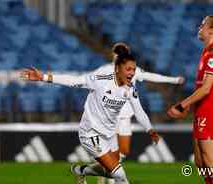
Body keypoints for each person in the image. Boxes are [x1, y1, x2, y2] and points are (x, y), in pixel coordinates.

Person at [20, 43, 161, 184]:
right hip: (90, 132)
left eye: (134, 69)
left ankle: (80, 170)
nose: (132, 73)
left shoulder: (130, 90)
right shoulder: (100, 81)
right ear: (118, 69)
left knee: (111, 173)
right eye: (128, 69)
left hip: (110, 134)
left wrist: (150, 130)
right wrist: (43, 77)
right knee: (120, 175)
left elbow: (139, 111)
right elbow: (73, 81)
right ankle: (85, 171)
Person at [90, 43, 184, 184]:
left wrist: (173, 80)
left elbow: (151, 76)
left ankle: (91, 170)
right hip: (107, 115)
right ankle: (107, 179)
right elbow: (87, 80)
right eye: (118, 54)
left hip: (125, 116)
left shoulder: (133, 69)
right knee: (108, 151)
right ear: (114, 55)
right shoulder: (104, 70)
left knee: (124, 151)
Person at [167, 15, 213, 184]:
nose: (199, 27)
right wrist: (192, 105)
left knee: (210, 160)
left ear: (212, 31)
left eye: (203, 25)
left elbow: (206, 88)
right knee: (200, 162)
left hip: (211, 109)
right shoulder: (207, 52)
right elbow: (202, 87)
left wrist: (182, 105)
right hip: (203, 108)